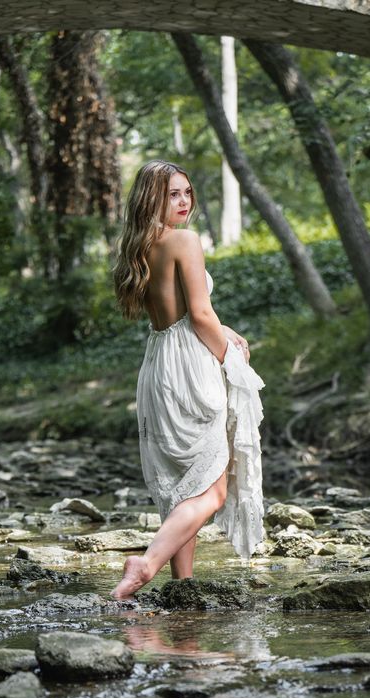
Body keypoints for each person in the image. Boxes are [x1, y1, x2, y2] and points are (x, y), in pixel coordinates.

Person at [110, 159, 264, 600]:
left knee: (184, 484)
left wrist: (226, 330)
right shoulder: (184, 240)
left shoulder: (141, 246)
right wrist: (234, 362)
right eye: (172, 194)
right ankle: (147, 563)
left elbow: (179, 314)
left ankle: (184, 588)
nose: (183, 202)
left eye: (187, 192)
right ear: (151, 199)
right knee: (213, 489)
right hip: (192, 366)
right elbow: (198, 314)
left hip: (160, 362)